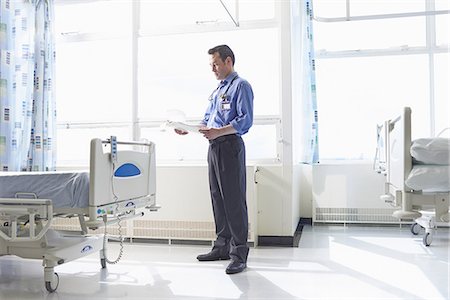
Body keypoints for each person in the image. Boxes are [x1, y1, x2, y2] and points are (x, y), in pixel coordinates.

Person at [174, 44, 253, 274]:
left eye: (216, 64)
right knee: (218, 198)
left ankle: (239, 254)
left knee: (234, 201)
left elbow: (245, 121)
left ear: (229, 62)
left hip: (230, 147)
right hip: (214, 148)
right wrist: (187, 129)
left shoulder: (241, 86)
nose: (213, 69)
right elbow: (209, 120)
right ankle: (221, 247)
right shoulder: (218, 90)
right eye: (211, 65)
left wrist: (219, 132)